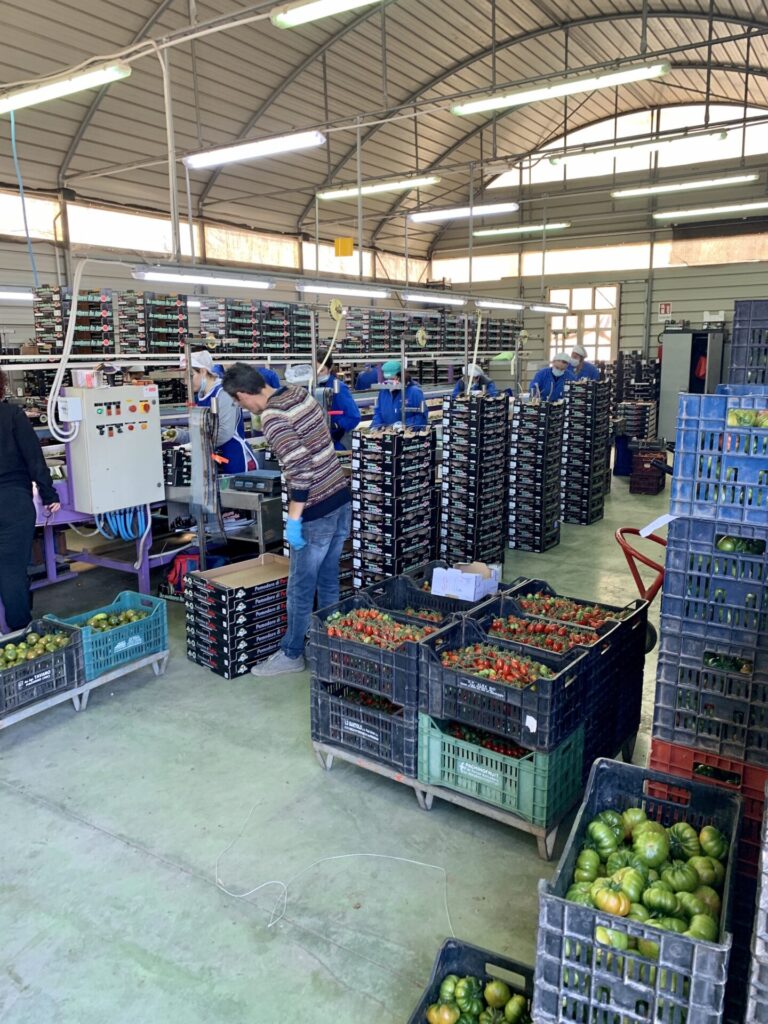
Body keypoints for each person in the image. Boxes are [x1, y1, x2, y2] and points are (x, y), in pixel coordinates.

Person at [222, 363, 351, 676]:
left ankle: (292, 653)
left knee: (300, 587)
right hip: (340, 497)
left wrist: (294, 520)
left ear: (242, 395)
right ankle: (329, 645)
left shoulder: (273, 417)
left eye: (239, 403)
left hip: (316, 510)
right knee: (328, 579)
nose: (243, 408)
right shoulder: (298, 393)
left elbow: (300, 471)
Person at [0, 370, 61, 632]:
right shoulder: (12, 416)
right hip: (13, 503)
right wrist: (49, 495)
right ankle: (19, 634)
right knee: (12, 571)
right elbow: (34, 458)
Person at [184, 350, 256, 473]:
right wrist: (177, 435)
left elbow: (224, 433)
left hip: (234, 460)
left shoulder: (223, 393)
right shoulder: (199, 397)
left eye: (190, 376)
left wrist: (195, 445)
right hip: (215, 459)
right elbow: (198, 433)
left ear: (203, 371)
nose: (186, 382)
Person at [314, 357, 361, 450]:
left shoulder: (339, 388)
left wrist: (336, 425)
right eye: (314, 370)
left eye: (321, 370)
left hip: (338, 440)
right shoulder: (313, 386)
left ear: (330, 368)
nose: (317, 374)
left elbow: (354, 417)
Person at [370, 360, 428, 429]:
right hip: (389, 434)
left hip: (408, 435)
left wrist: (405, 425)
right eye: (387, 379)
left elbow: (422, 416)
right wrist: (376, 426)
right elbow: (378, 412)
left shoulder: (414, 391)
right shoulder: (384, 391)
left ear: (401, 376)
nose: (390, 382)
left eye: (392, 378)